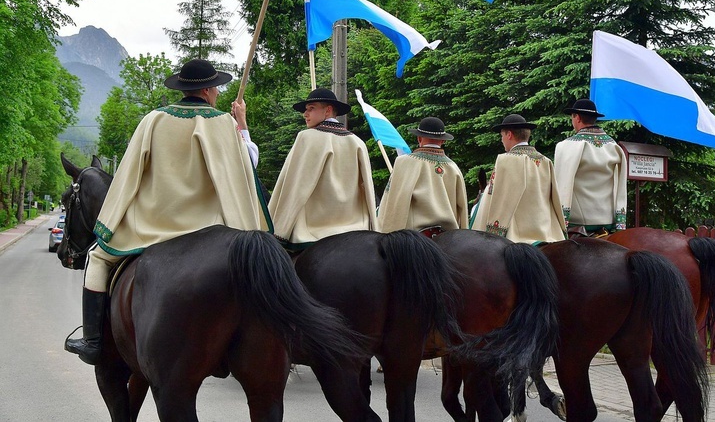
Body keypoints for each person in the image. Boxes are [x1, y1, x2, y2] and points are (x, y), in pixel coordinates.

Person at [65, 59, 271, 365]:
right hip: (211, 230)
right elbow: (246, 168)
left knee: (98, 258)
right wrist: (241, 126)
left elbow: (128, 174)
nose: (217, 92)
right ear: (206, 90)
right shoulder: (223, 123)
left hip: (154, 227)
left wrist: (108, 223)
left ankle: (93, 341)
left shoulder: (153, 120)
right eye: (215, 87)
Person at [268, 88, 378, 251]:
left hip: (313, 231)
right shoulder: (358, 143)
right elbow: (367, 190)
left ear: (328, 110)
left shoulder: (307, 137)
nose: (305, 114)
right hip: (356, 228)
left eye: (311, 108)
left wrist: (277, 230)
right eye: (306, 110)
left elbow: (293, 186)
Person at [470, 114, 566, 243]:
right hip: (547, 230)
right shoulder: (545, 160)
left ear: (509, 135)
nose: (501, 140)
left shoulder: (506, 159)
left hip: (517, 235)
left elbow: (495, 196)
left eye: (502, 136)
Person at [378, 117, 468, 236]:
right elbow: (463, 208)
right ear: (443, 141)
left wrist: (386, 235)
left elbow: (392, 203)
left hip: (413, 238)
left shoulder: (404, 162)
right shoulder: (454, 168)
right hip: (447, 237)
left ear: (419, 138)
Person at [554, 98, 627, 236]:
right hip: (608, 220)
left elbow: (560, 185)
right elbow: (620, 184)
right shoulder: (613, 146)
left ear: (578, 118)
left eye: (572, 117)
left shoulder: (566, 146)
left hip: (578, 222)